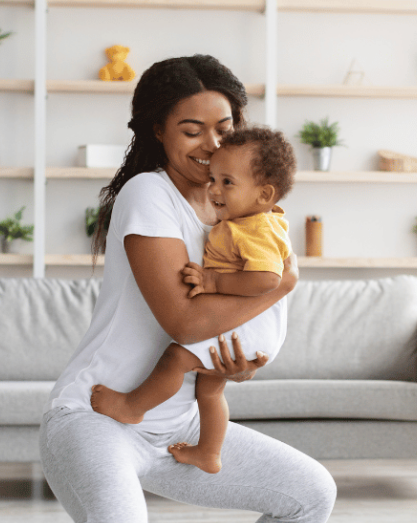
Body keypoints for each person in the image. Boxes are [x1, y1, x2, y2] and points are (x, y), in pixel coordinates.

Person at [39, 54, 336, 523]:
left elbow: (226, 324)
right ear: (159, 131)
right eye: (191, 130)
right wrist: (281, 285)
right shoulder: (149, 194)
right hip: (97, 415)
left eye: (225, 129)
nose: (211, 144)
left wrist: (238, 364)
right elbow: (184, 321)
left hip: (178, 426)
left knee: (310, 494)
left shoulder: (240, 211)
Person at [89, 126, 296, 475]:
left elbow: (269, 279)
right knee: (211, 391)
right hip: (251, 325)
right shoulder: (248, 221)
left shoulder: (257, 228)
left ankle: (132, 406)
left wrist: (213, 280)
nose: (213, 189)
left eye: (227, 182)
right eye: (213, 178)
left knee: (175, 358)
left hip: (249, 323)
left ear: (264, 195)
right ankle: (209, 452)